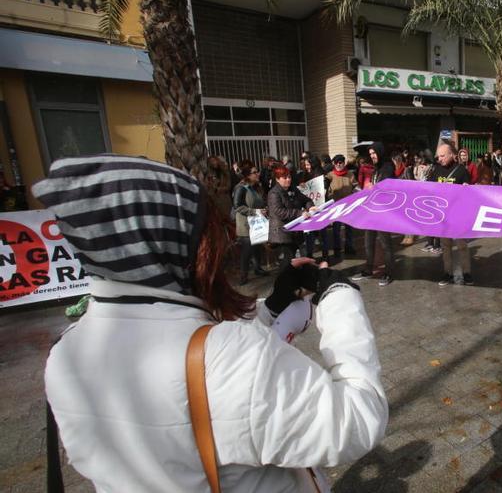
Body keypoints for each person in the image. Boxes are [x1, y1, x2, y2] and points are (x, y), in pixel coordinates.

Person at [33, 155, 388, 492]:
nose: (224, 243)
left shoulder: (65, 353)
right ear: (173, 243)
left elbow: (217, 381)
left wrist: (275, 305)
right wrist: (340, 296)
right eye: (208, 232)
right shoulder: (229, 358)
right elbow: (355, 422)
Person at [352, 143, 396, 286]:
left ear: (380, 152)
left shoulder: (388, 167)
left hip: (384, 212)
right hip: (372, 211)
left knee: (385, 244)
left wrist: (373, 187)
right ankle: (368, 269)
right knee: (368, 241)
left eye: (374, 153)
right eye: (370, 154)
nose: (372, 156)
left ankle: (389, 273)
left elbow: (387, 186)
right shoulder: (376, 169)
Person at [430, 142, 474, 286]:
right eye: (438, 156)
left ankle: (466, 273)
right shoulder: (436, 170)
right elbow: (428, 189)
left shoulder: (461, 170)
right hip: (443, 216)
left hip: (458, 215)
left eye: (443, 156)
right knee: (445, 246)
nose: (440, 159)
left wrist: (467, 188)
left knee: (462, 246)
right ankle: (447, 273)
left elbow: (470, 192)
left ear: (451, 155)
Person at [268, 166, 314, 266]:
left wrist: (310, 207)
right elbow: (279, 212)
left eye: (289, 177)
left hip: (296, 231)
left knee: (303, 258)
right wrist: (299, 213)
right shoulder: (274, 193)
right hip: (282, 233)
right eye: (284, 178)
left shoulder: (293, 189)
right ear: (277, 179)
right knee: (287, 261)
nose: (288, 179)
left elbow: (306, 200)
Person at [232, 160, 269, 285]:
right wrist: (256, 212)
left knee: (258, 248)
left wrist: (264, 209)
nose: (257, 174)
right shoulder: (240, 188)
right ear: (247, 175)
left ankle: (258, 268)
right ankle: (243, 275)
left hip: (257, 224)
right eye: (254, 172)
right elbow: (238, 206)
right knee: (247, 251)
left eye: (257, 171)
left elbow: (260, 202)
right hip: (245, 225)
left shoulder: (255, 187)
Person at [326, 155, 358, 256]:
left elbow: (356, 186)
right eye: (336, 163)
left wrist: (359, 192)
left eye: (340, 162)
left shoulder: (350, 174)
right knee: (336, 229)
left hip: (348, 206)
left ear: (344, 163)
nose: (338, 164)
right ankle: (337, 248)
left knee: (349, 229)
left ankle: (349, 246)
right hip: (336, 206)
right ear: (333, 164)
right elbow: (323, 185)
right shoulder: (330, 175)